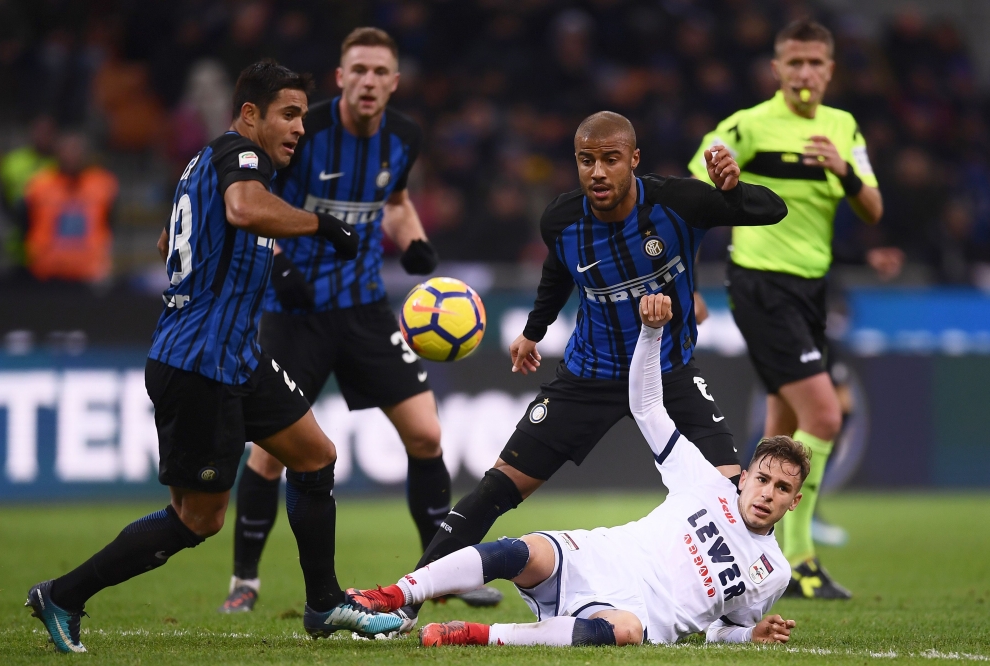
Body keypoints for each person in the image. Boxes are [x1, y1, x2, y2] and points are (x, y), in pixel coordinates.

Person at [24, 60, 403, 653]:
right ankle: (65, 594)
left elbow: (167, 241)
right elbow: (244, 210)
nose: (301, 127)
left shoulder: (205, 165)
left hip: (234, 356)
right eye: (289, 114)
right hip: (199, 363)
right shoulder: (240, 156)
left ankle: (325, 604)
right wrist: (321, 225)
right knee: (199, 519)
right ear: (249, 114)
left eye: (303, 115)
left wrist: (243, 268)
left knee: (315, 456)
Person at [403, 110, 787, 625]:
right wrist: (534, 331)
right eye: (587, 161)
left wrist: (733, 191)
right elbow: (557, 274)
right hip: (589, 378)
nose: (598, 172)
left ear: (634, 159)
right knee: (497, 488)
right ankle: (404, 606)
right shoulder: (561, 221)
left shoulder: (678, 203)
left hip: (668, 374)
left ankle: (733, 621)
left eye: (610, 159)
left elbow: (774, 210)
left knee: (734, 494)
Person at [218, 27, 497, 615]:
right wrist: (277, 260)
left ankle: (442, 573)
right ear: (342, 78)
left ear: (394, 83)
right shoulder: (303, 130)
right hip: (294, 313)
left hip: (365, 308)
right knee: (270, 452)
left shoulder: (403, 137)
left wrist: (414, 241)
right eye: (359, 70)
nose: (369, 81)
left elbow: (393, 204)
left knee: (426, 434)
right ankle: (245, 580)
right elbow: (254, 198)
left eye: (380, 72)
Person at [349, 293, 802, 648]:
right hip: (600, 556)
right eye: (762, 479)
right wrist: (649, 332)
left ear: (793, 501)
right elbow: (646, 407)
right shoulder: (706, 481)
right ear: (744, 476)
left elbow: (722, 631)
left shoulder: (775, 572)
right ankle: (392, 595)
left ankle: (473, 634)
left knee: (623, 631)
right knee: (520, 552)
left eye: (782, 488)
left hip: (639, 616)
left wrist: (751, 635)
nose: (767, 493)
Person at [688, 19, 883, 599]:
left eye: (815, 64)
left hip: (810, 290)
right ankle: (799, 559)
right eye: (793, 63)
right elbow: (692, 188)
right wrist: (688, 276)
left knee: (782, 425)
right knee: (823, 417)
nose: (804, 74)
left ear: (830, 70)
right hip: (760, 285)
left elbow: (873, 208)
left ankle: (736, 544)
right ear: (776, 69)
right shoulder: (748, 126)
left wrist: (844, 171)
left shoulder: (843, 128)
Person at [21, 131, 117, 283]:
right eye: (67, 150)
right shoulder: (39, 186)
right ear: (57, 153)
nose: (72, 155)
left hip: (90, 272)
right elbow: (24, 224)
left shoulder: (103, 185)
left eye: (76, 150)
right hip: (47, 272)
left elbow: (111, 223)